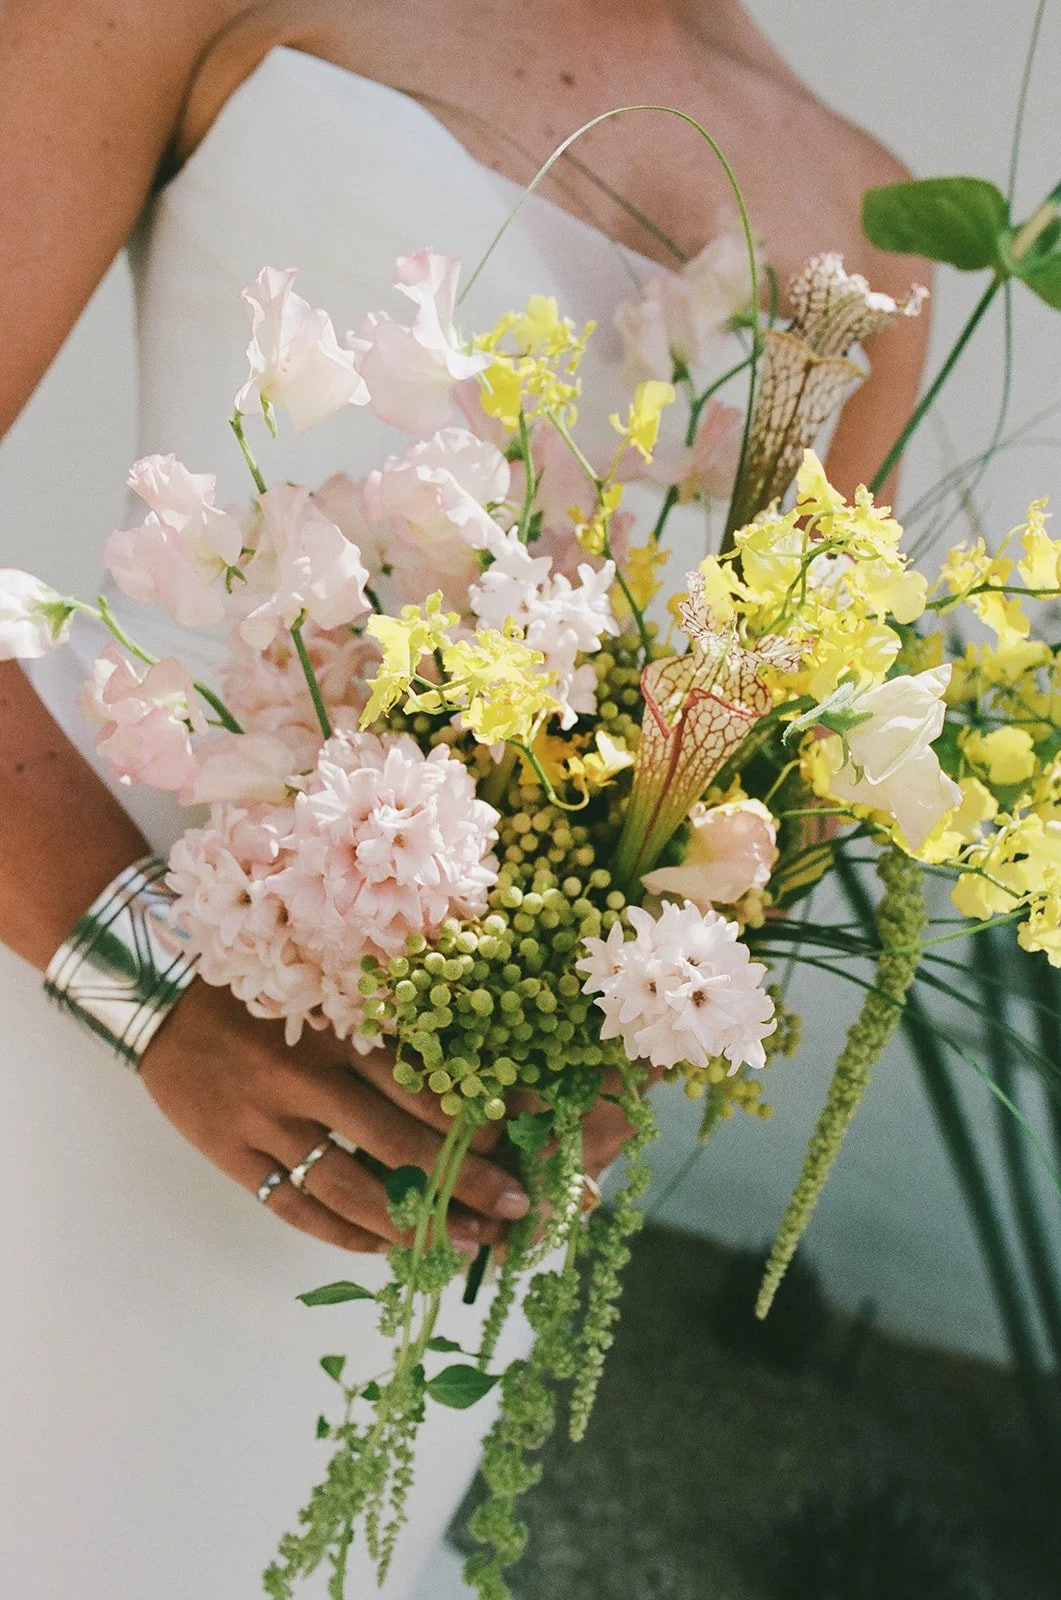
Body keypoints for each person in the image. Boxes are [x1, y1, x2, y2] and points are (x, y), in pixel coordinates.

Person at [0, 3, 930, 1596]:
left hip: (439, 1162)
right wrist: (140, 979)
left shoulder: (876, 231)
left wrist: (616, 1048)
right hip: (66, 971)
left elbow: (774, 780)